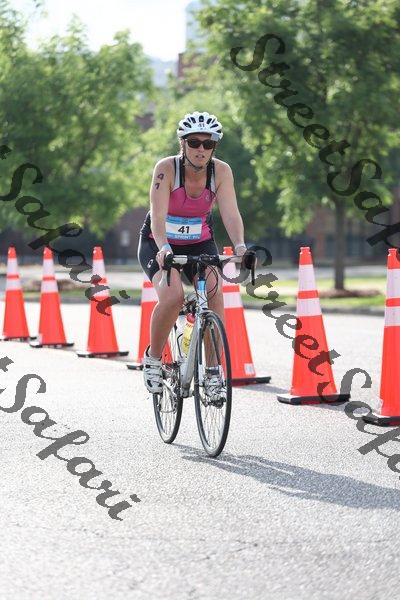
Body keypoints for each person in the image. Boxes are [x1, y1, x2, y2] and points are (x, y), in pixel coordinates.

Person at [138, 110, 247, 394]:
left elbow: (230, 213)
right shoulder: (167, 168)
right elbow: (158, 216)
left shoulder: (221, 171)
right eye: (194, 142)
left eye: (208, 144)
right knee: (172, 296)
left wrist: (240, 246)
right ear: (183, 143)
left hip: (199, 242)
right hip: (159, 242)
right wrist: (164, 247)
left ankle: (212, 372)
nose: (201, 149)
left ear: (214, 146)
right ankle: (153, 359)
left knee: (214, 293)